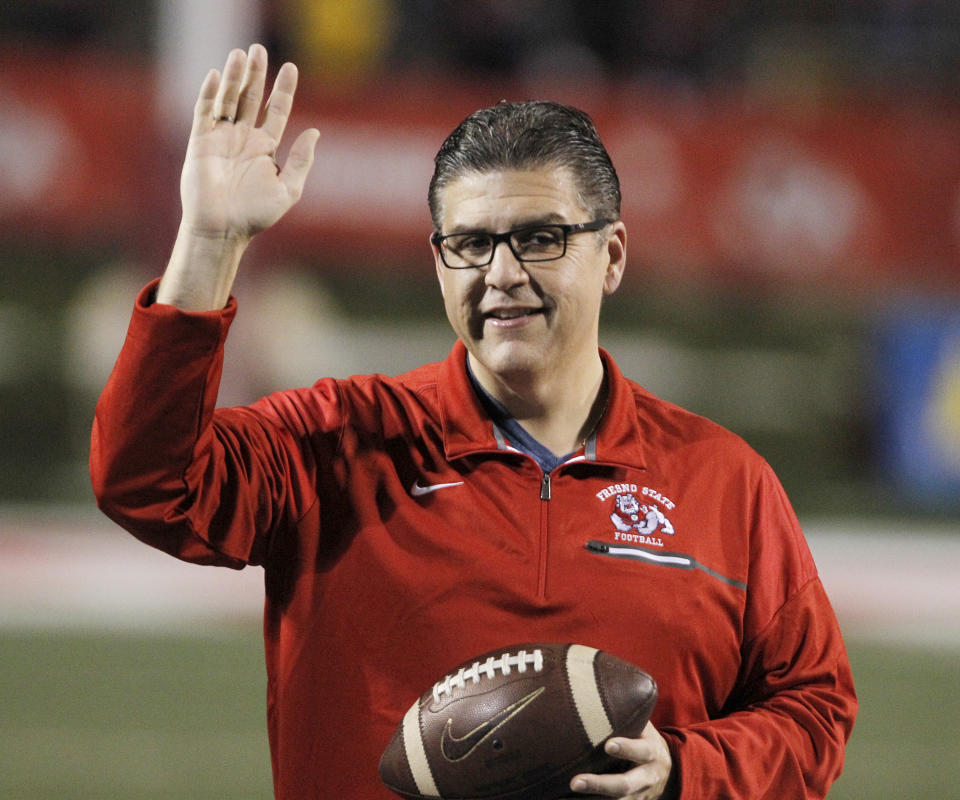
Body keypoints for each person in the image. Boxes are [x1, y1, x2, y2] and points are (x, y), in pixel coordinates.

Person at [90, 44, 857, 800]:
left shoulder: (724, 481)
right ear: (438, 263)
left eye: (539, 238)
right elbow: (147, 483)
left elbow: (814, 711)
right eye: (471, 244)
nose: (501, 274)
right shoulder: (340, 440)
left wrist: (685, 771)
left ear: (613, 254)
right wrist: (209, 245)